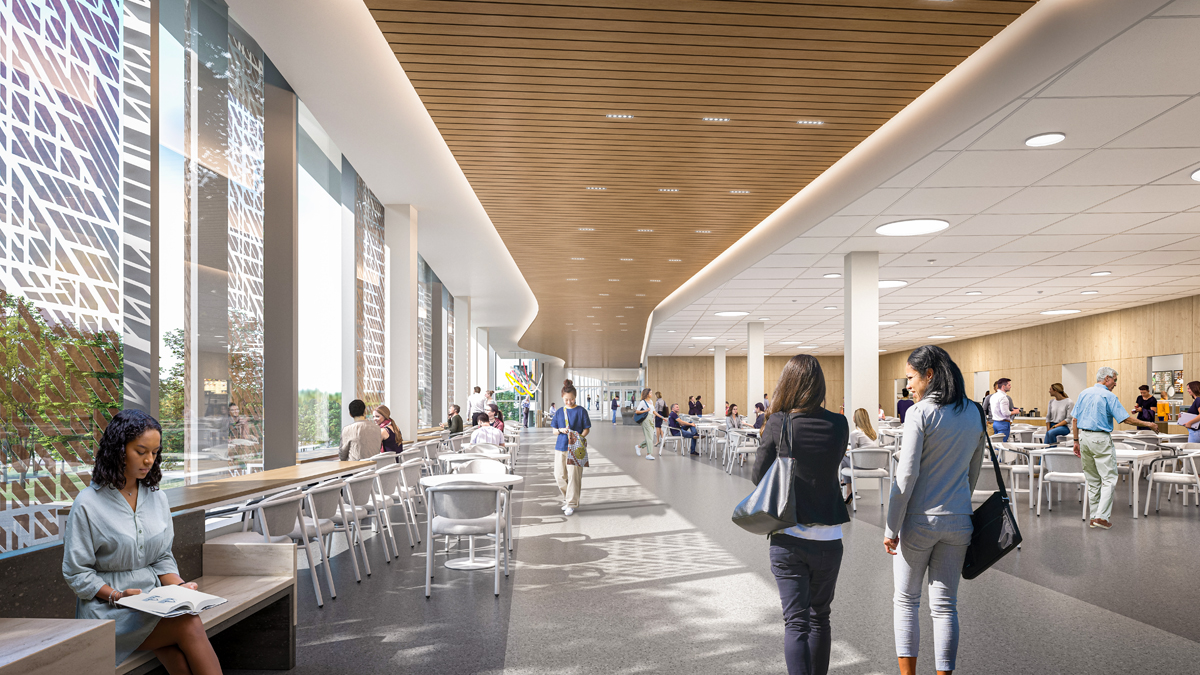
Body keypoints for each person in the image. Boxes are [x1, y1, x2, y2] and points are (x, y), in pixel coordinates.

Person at [62, 409, 221, 672]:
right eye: (141, 451)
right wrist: (116, 595)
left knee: (179, 655)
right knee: (188, 624)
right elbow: (77, 573)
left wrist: (181, 587)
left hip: (153, 604)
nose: (149, 460)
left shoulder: (156, 497)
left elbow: (161, 557)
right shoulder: (88, 504)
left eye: (155, 452)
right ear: (118, 450)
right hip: (108, 611)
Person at [884, 345, 986, 675]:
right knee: (944, 608)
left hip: (918, 522)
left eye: (911, 378)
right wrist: (956, 506)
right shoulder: (974, 412)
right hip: (959, 521)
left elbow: (907, 474)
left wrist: (891, 527)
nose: (908, 385)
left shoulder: (919, 413)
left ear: (929, 375)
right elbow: (973, 470)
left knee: (906, 601)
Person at [751, 355, 850, 675]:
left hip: (788, 535)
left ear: (788, 384)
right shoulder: (839, 423)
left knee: (796, 622)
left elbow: (758, 476)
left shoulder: (779, 422)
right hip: (829, 537)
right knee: (820, 617)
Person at [1070, 367, 1160, 529]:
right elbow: (1125, 419)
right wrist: (1149, 424)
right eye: (1115, 380)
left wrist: (1076, 441)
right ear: (1106, 379)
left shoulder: (1083, 393)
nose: (1115, 384)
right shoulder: (1108, 396)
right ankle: (1102, 517)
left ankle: (1094, 517)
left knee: (1093, 479)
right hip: (1100, 439)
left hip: (1084, 438)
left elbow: (1075, 420)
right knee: (1109, 478)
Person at [552, 384, 591, 515]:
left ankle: (571, 503)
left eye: (571, 399)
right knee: (559, 476)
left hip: (575, 447)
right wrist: (560, 430)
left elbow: (587, 429)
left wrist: (578, 437)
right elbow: (554, 430)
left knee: (574, 476)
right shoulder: (559, 412)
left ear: (575, 397)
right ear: (562, 398)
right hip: (560, 447)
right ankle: (567, 499)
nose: (569, 402)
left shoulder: (581, 411)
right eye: (566, 399)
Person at [847, 408, 880, 503]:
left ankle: (847, 487)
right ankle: (847, 488)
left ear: (856, 418)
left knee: (842, 458)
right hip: (874, 464)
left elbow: (853, 452)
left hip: (862, 465)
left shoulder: (855, 433)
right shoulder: (872, 432)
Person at [634, 388, 658, 461]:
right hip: (646, 420)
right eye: (650, 393)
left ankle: (639, 446)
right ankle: (648, 454)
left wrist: (662, 417)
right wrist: (646, 410)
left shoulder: (651, 401)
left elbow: (653, 411)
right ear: (647, 394)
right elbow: (637, 411)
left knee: (650, 438)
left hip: (651, 420)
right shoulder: (643, 402)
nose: (652, 394)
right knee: (649, 438)